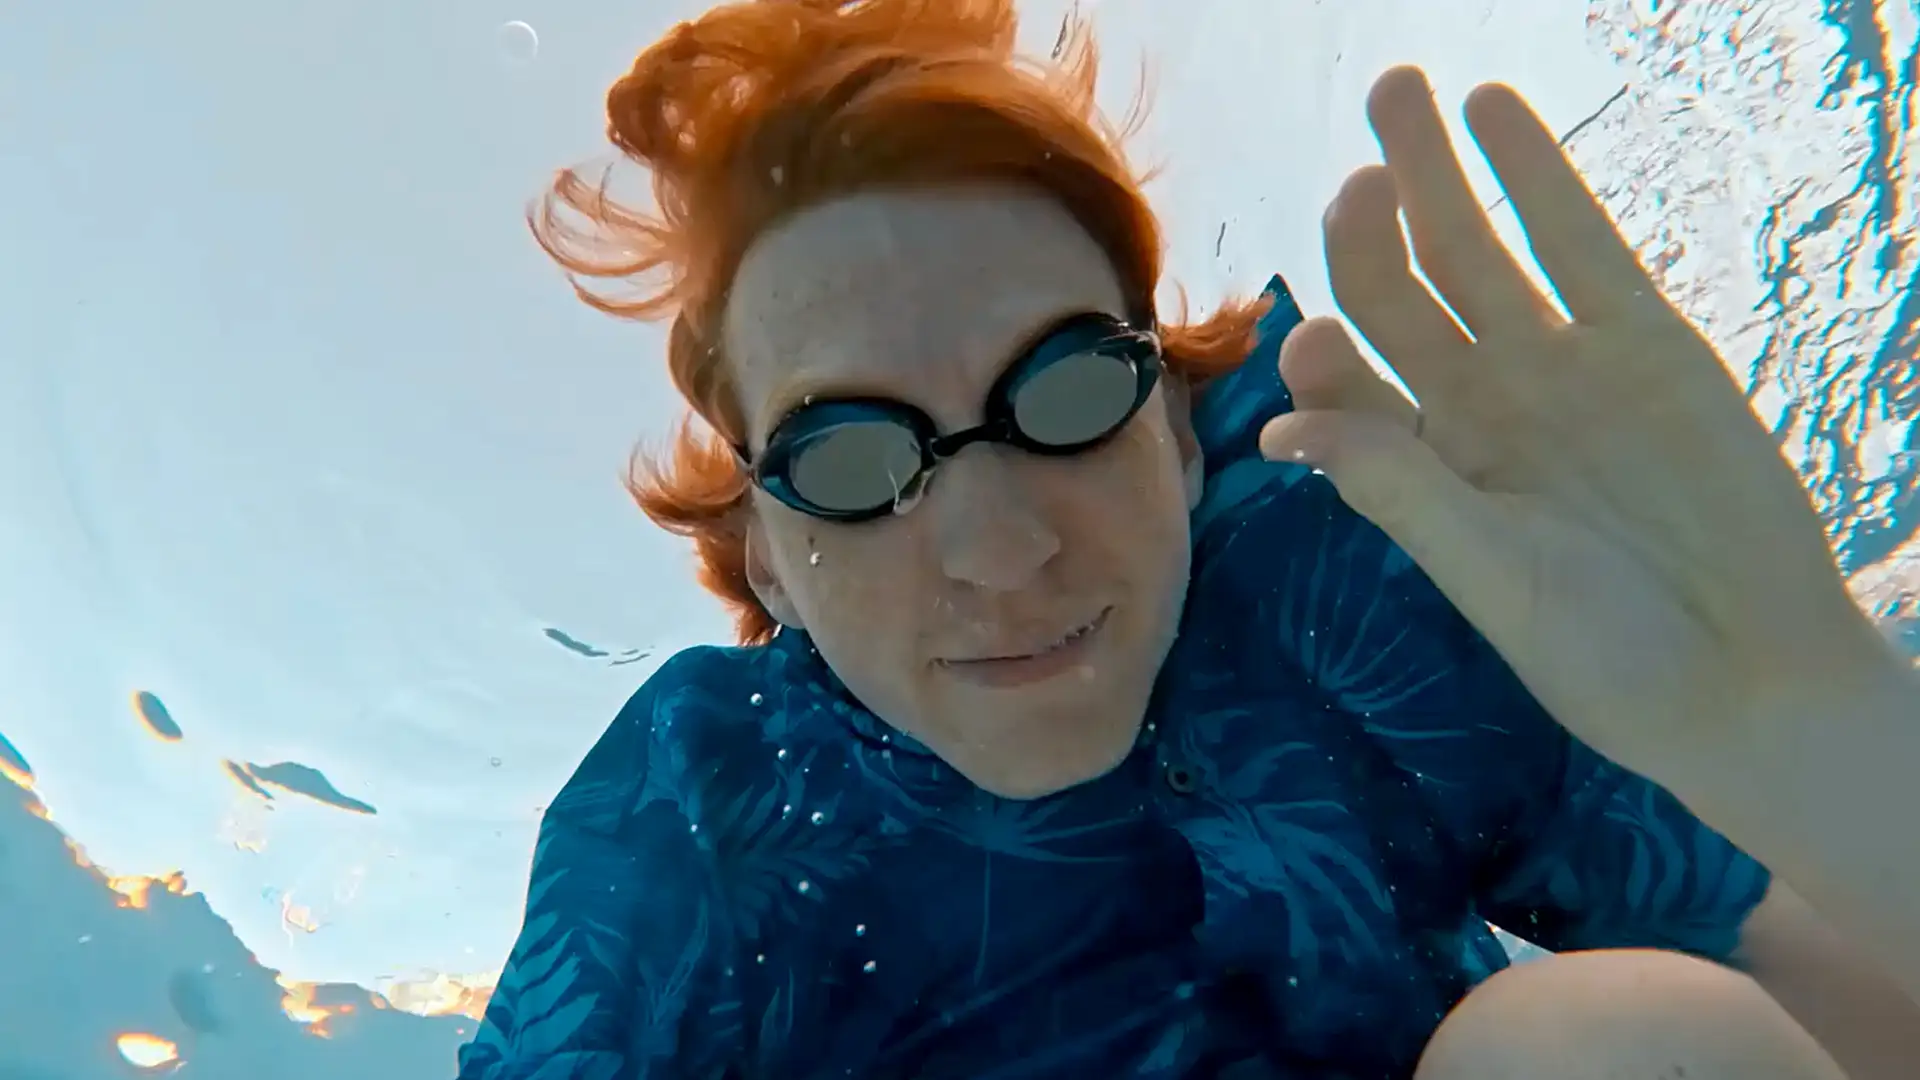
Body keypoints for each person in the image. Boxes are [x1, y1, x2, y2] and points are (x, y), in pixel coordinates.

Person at [458, 1, 1920, 1077]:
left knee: (1612, 1046)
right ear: (766, 559)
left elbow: (1832, 1016)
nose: (1000, 550)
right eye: (848, 456)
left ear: (1170, 421)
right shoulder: (703, 810)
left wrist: (1809, 736)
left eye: (1069, 387)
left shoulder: (1330, 588)